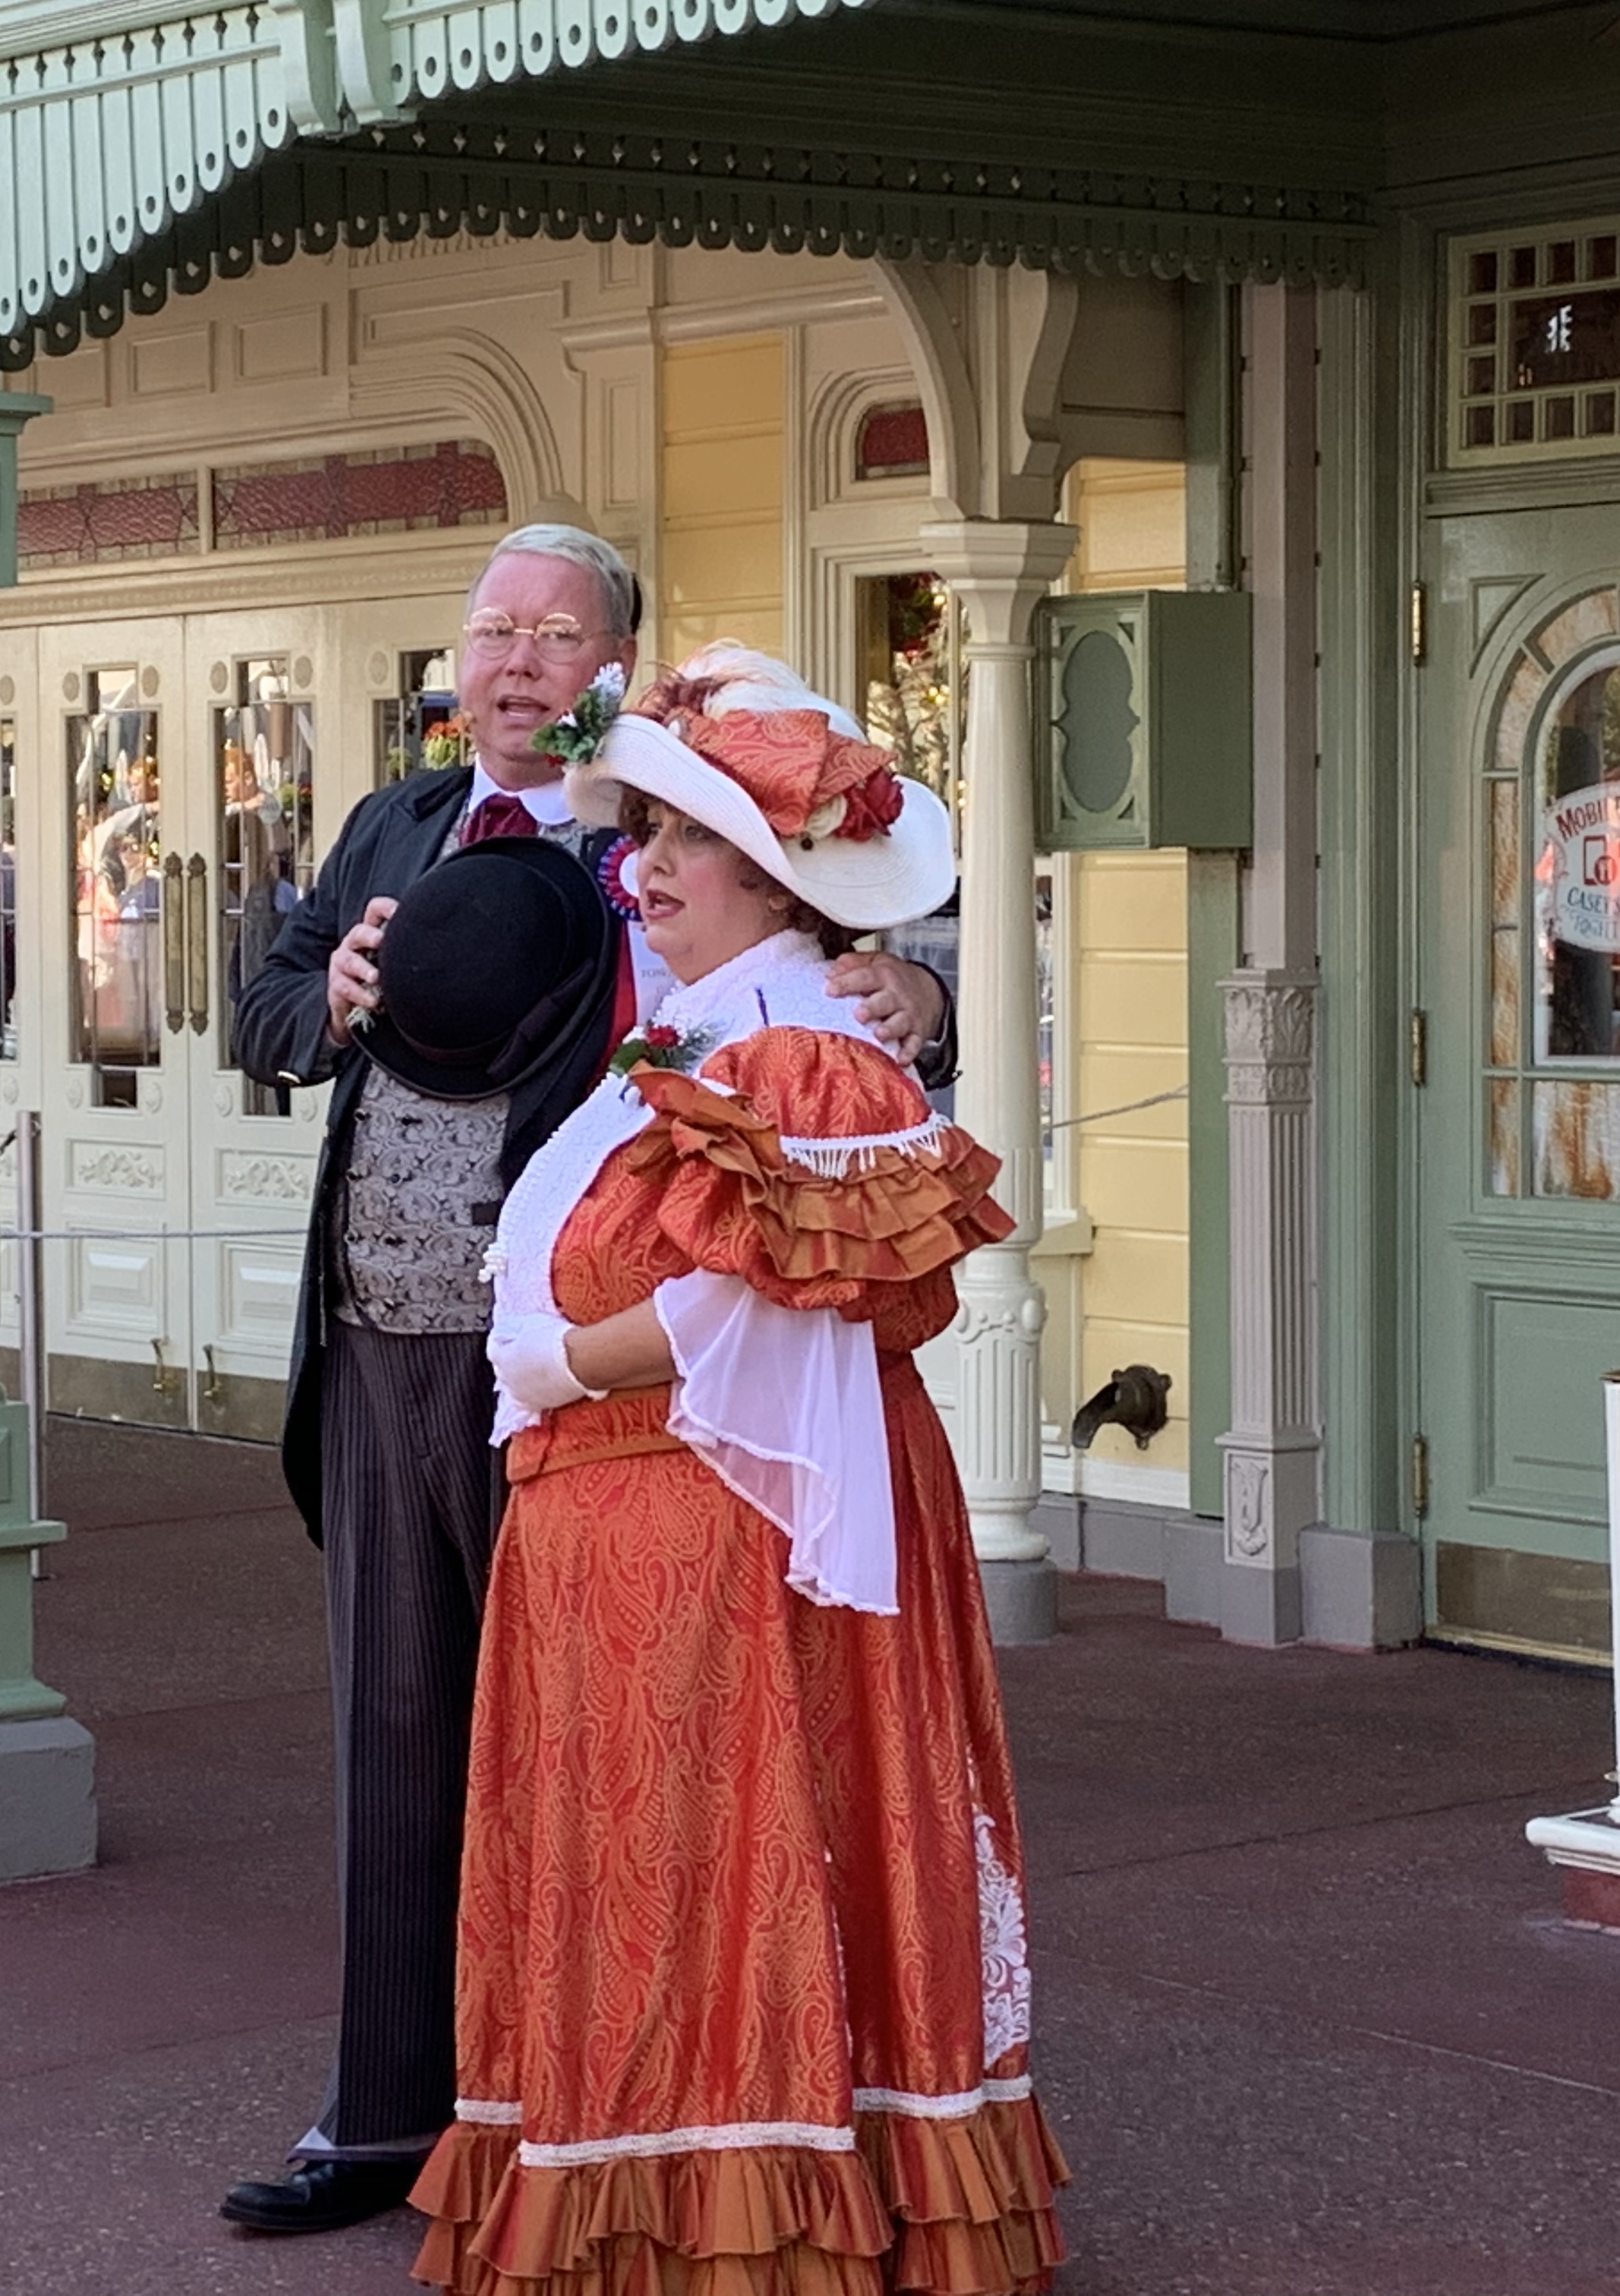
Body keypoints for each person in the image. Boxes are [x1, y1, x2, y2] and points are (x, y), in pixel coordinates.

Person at [219, 527, 957, 2236]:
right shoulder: (392, 826)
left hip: (613, 1375)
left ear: (616, 664)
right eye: (494, 632)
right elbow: (254, 1009)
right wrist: (320, 999)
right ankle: (392, 2112)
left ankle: (572, 2100)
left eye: (558, 633)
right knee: (399, 1724)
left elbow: (838, 1062)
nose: (520, 661)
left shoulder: (668, 855)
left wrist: (911, 989)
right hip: (387, 1337)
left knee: (562, 1748)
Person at [413, 647, 1063, 2294]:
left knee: (727, 1855)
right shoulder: (715, 1022)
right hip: (644, 1517)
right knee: (672, 1867)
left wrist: (562, 1362)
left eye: (680, 842)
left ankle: (738, 2222)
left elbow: (763, 1294)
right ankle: (668, 2196)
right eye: (641, 834)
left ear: (768, 871)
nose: (643, 869)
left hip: (715, 1522)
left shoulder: (797, 1043)